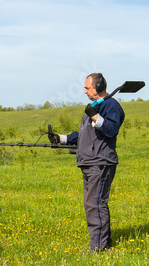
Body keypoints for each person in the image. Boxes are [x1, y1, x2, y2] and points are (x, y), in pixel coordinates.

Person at [49, 73, 124, 251]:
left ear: (98, 88)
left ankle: (98, 247)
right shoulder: (94, 107)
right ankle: (103, 242)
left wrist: (95, 117)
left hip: (100, 162)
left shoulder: (111, 105)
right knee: (93, 204)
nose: (84, 91)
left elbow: (112, 129)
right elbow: (83, 135)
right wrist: (61, 138)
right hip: (90, 162)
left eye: (87, 88)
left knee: (95, 204)